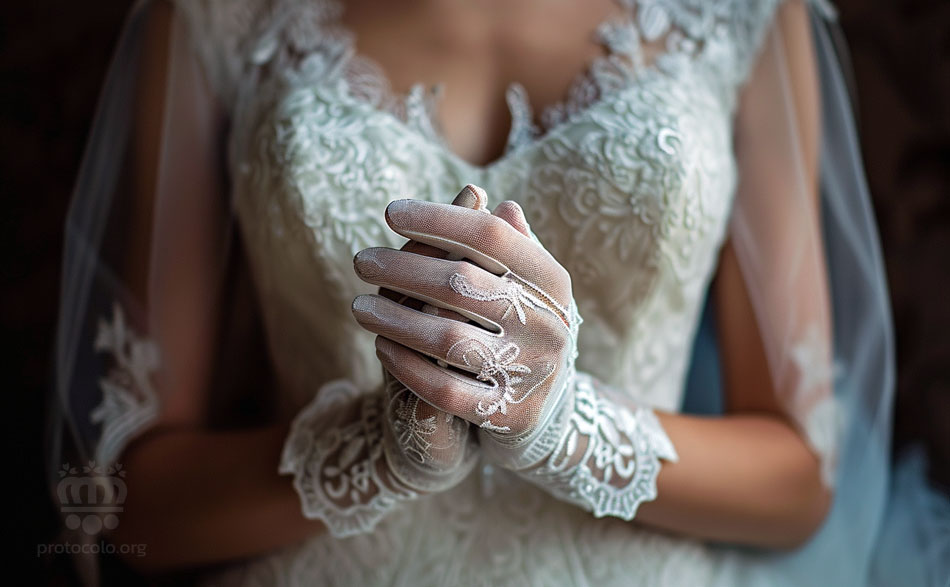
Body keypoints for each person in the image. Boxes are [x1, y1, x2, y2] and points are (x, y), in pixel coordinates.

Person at [49, 0, 948, 585]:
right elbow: (133, 497)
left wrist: (564, 423)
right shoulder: (215, 15)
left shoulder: (744, 14)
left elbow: (800, 473)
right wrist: (376, 450)